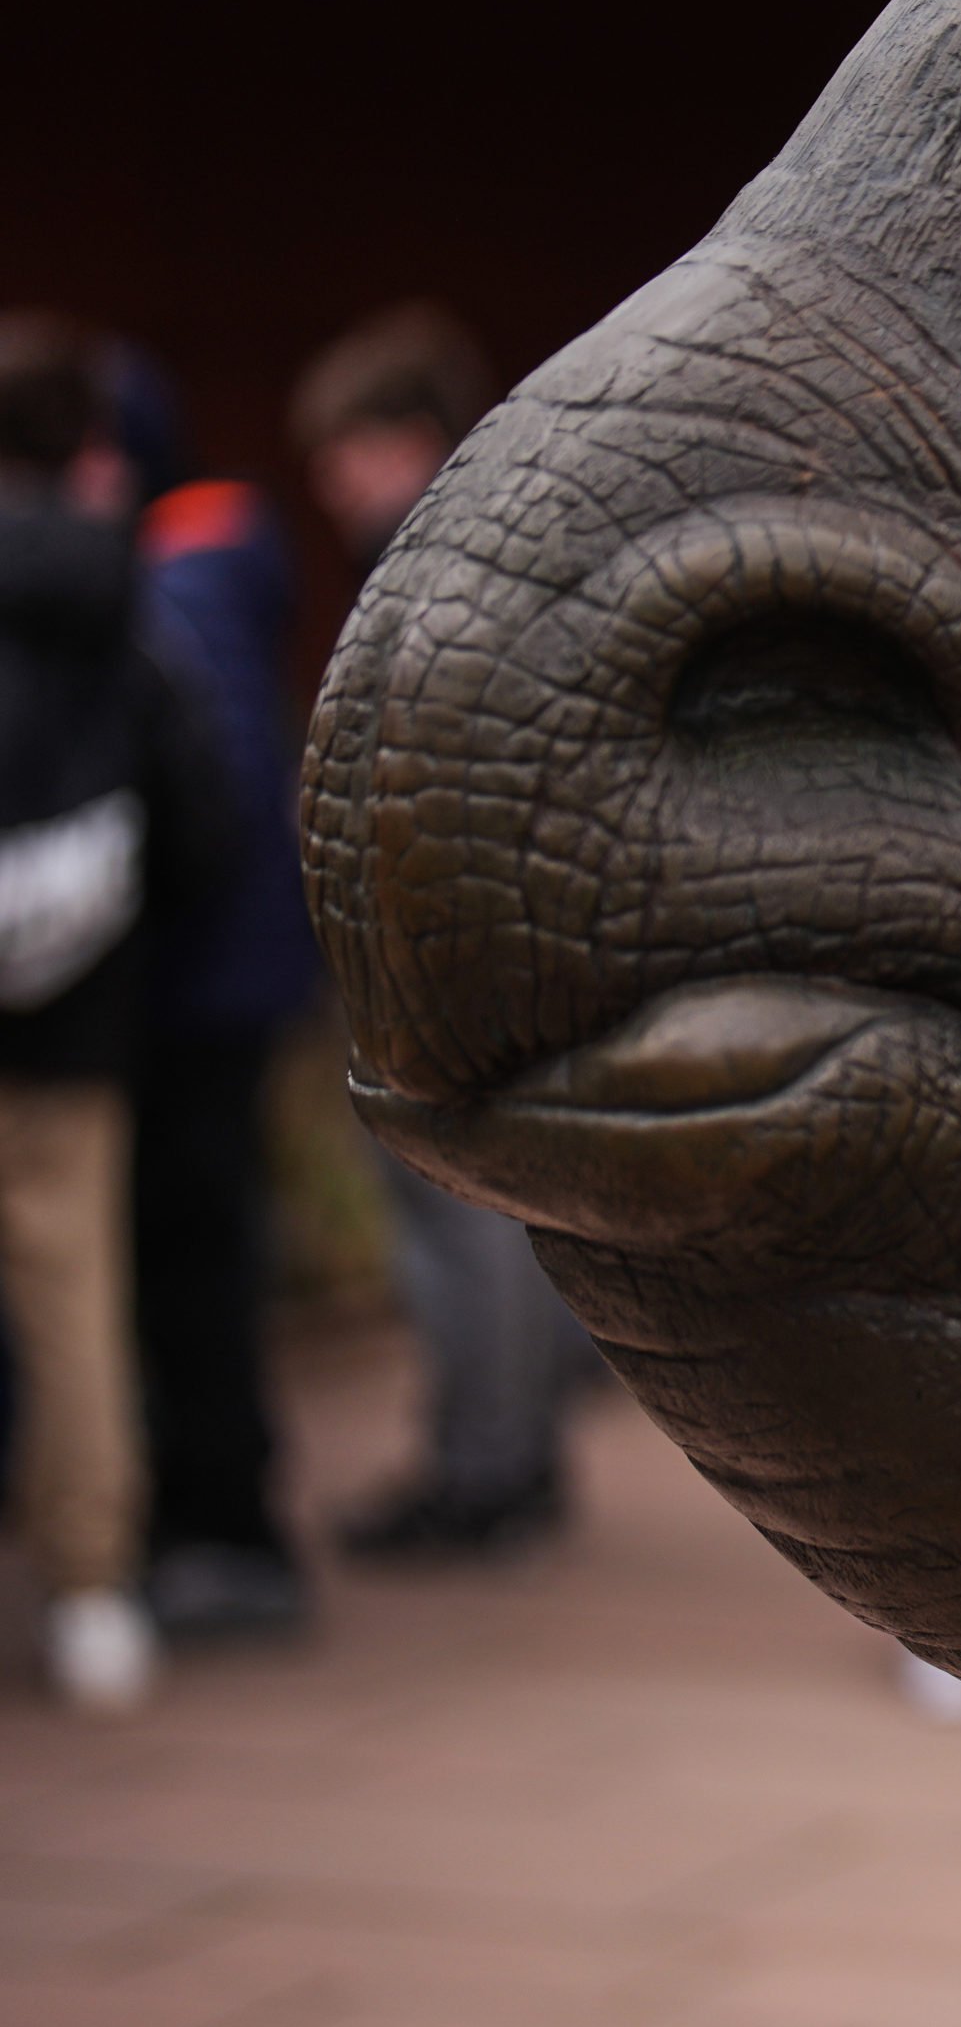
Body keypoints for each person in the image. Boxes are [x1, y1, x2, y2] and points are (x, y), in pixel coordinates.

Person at [290, 304, 599, 1559]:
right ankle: (512, 1454)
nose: (329, 483)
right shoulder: (519, 544)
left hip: (448, 945)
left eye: (347, 451)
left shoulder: (424, 566)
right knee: (503, 1214)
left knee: (457, 1214)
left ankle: (484, 1474)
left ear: (408, 441)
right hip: (515, 931)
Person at [1, 315, 232, 1713]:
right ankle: (92, 1589)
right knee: (75, 1311)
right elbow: (201, 808)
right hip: (79, 1026)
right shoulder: (121, 606)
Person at [108, 345, 320, 1636]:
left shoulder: (176, 585)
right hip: (231, 988)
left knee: (195, 1267)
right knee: (212, 1258)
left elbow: (213, 809)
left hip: (192, 999)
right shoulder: (218, 571)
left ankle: (226, 1529)